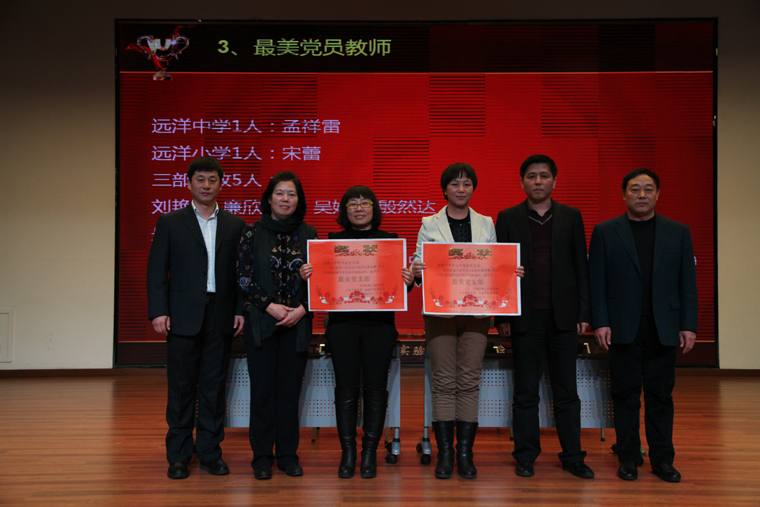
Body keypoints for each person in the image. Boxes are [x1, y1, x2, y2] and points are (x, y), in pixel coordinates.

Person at [411, 163, 523, 480]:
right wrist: (417, 269)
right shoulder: (428, 223)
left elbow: (495, 263)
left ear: (473, 188)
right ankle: (445, 454)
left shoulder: (487, 223)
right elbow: (418, 263)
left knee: (470, 381)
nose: (461, 189)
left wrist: (510, 271)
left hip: (477, 313)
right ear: (444, 189)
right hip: (440, 314)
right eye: (455, 184)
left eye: (467, 184)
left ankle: (465, 453)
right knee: (444, 382)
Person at [589, 168, 698, 483]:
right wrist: (601, 322)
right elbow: (597, 283)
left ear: (658, 195)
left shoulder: (678, 232)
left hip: (665, 327)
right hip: (621, 326)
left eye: (648, 189)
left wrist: (688, 325)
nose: (641, 195)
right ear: (623, 194)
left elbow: (687, 283)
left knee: (660, 397)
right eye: (634, 189)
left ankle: (663, 460)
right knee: (624, 396)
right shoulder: (605, 231)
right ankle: (628, 457)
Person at [300, 186, 415, 479]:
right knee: (346, 389)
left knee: (376, 389)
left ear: (374, 209)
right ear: (344, 210)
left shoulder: (390, 242)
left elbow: (399, 290)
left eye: (365, 203)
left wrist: (408, 280)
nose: (359, 208)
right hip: (342, 326)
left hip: (380, 327)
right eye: (353, 203)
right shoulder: (330, 243)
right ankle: (348, 452)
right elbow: (322, 285)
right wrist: (309, 276)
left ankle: (369, 453)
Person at [494, 154, 594, 479]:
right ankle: (525, 456)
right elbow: (499, 269)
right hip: (524, 317)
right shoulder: (507, 217)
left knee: (567, 392)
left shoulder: (571, 216)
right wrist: (501, 317)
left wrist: (584, 312)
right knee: (525, 391)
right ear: (522, 182)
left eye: (544, 175)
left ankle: (573, 457)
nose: (538, 181)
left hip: (563, 318)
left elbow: (581, 267)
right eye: (531, 176)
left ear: (554, 180)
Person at [147, 156, 245, 480]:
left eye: (212, 180)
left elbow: (241, 274)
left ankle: (209, 453)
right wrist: (159, 310)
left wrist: (240, 309)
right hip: (182, 317)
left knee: (213, 389)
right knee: (181, 388)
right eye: (200, 179)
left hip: (221, 314)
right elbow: (157, 270)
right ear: (189, 183)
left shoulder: (235, 224)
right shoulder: (170, 222)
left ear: (221, 185)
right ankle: (178, 455)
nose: (206, 185)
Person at [237, 171, 317, 480]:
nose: (285, 199)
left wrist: (302, 309)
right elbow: (243, 276)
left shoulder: (308, 233)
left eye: (291, 194)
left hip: (297, 324)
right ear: (269, 198)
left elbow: (321, 279)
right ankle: (261, 457)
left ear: (299, 200)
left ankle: (287, 455)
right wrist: (268, 306)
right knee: (263, 392)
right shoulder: (251, 232)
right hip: (262, 323)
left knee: (289, 392)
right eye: (280, 193)